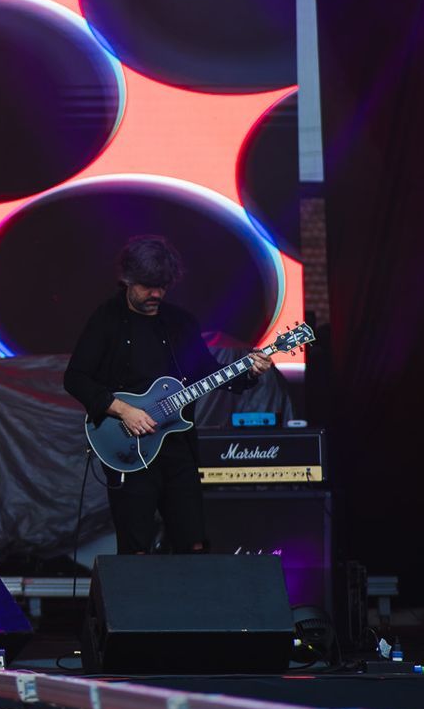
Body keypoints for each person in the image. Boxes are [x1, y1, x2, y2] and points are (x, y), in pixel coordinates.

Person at [63, 235, 270, 555]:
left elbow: (208, 373)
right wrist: (123, 410)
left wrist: (249, 372)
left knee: (194, 542)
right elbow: (75, 378)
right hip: (128, 449)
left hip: (177, 448)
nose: (156, 294)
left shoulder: (180, 323)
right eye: (147, 286)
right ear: (127, 279)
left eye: (162, 286)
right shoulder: (107, 320)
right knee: (136, 548)